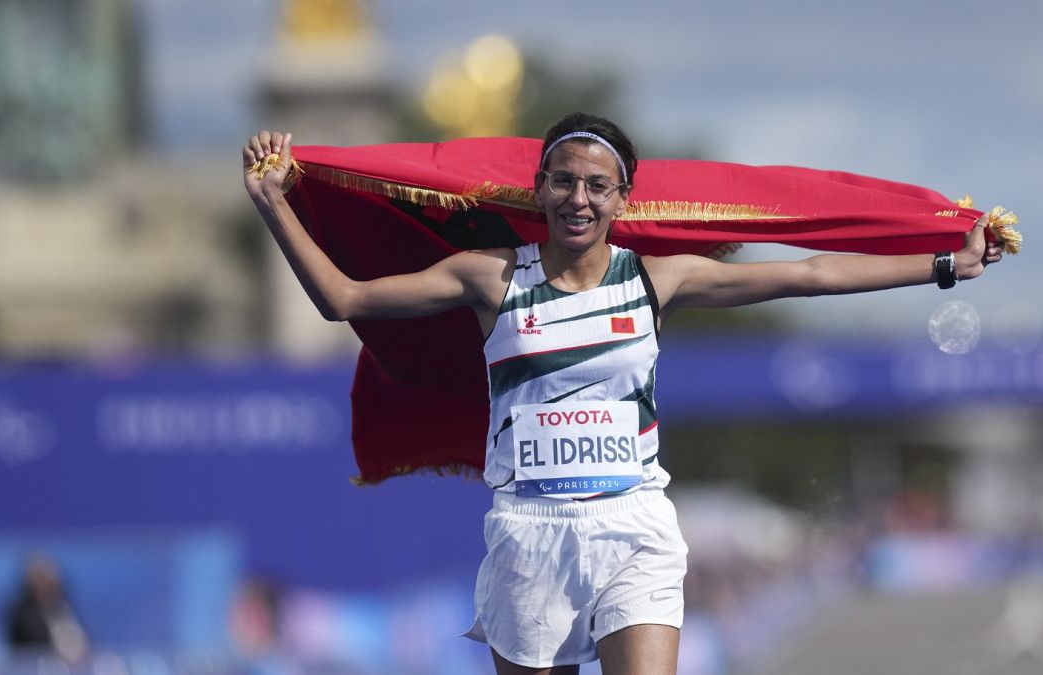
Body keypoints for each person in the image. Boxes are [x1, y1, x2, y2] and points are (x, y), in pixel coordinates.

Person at [242, 112, 1004, 674]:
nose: (579, 198)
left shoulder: (655, 276)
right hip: (529, 531)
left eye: (597, 186)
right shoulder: (491, 275)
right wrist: (274, 201)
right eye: (565, 181)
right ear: (539, 189)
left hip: (632, 522)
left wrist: (944, 263)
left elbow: (809, 274)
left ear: (621, 198)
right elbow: (344, 299)